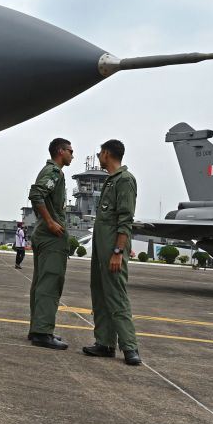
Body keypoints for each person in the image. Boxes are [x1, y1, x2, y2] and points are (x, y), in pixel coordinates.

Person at [82, 139, 142, 366]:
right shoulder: (110, 181)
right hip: (101, 249)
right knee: (99, 293)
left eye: (100, 152)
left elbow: (125, 220)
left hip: (112, 250)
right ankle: (105, 343)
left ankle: (130, 347)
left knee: (116, 295)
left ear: (107, 154)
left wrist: (118, 251)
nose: (98, 155)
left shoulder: (125, 180)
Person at [27, 138, 74, 350]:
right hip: (50, 237)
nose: (72, 155)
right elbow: (36, 195)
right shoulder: (54, 172)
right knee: (50, 283)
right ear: (60, 151)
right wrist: (51, 222)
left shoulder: (54, 172)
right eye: (70, 151)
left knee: (40, 283)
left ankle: (38, 327)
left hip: (43, 234)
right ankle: (42, 332)